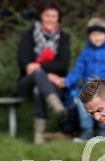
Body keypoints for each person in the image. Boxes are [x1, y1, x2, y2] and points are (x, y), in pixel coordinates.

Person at [49, 17, 105, 142]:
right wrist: (66, 81)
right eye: (94, 35)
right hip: (89, 88)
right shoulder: (86, 53)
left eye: (100, 34)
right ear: (89, 36)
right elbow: (78, 70)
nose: (97, 38)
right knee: (82, 103)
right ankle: (86, 131)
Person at [17, 0, 70, 144]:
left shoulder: (63, 37)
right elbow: (23, 61)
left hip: (53, 84)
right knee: (38, 75)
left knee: (40, 87)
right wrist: (45, 71)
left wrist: (39, 66)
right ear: (41, 16)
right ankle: (56, 106)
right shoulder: (29, 35)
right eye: (47, 15)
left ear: (58, 18)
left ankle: (38, 136)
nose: (50, 19)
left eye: (54, 16)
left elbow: (63, 64)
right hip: (26, 83)